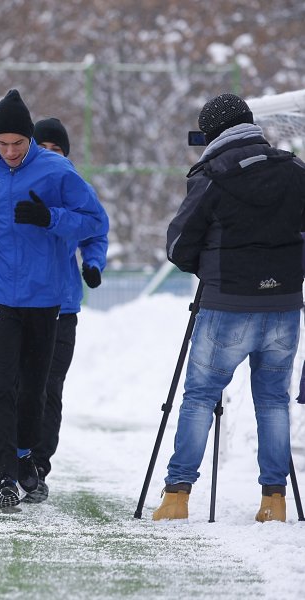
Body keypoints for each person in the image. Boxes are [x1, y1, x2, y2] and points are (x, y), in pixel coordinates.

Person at [155, 93, 305, 523]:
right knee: (274, 402)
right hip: (283, 306)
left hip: (227, 306)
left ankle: (177, 498)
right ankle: (273, 502)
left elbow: (180, 245)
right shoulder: (294, 168)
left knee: (200, 398)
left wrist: (207, 264)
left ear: (214, 132)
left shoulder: (211, 174)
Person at [0, 89, 107, 510]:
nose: (9, 151)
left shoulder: (56, 171)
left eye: (17, 144)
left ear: (29, 139)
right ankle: (5, 478)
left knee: (35, 391)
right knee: (2, 387)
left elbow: (95, 220)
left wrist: (50, 218)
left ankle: (27, 457)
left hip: (45, 297)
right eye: (2, 143)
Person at [23, 117, 109, 504]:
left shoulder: (75, 189)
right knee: (16, 386)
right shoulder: (16, 182)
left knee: (48, 388)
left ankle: (39, 465)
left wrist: (93, 263)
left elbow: (95, 231)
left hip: (61, 304)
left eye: (56, 149)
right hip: (17, 303)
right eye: (42, 148)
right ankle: (14, 461)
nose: (49, 156)